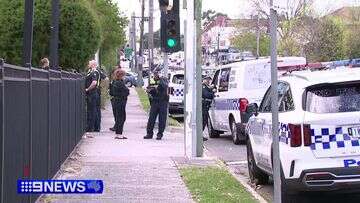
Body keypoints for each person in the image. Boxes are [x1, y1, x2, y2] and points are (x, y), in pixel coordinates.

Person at [144, 71, 169, 140]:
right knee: (151, 118)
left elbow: (165, 86)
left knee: (162, 119)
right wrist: (149, 90)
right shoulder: (152, 80)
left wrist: (160, 80)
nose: (155, 76)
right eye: (154, 74)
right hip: (155, 101)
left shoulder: (164, 80)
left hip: (163, 102)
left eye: (156, 74)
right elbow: (150, 88)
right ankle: (149, 133)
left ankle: (160, 134)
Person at [109, 68, 129, 139]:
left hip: (116, 101)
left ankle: (118, 133)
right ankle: (119, 133)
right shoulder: (120, 83)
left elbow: (111, 92)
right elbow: (126, 91)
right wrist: (126, 91)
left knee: (118, 117)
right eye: (124, 75)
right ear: (121, 75)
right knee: (121, 117)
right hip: (120, 101)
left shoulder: (115, 82)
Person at [85, 60, 101, 134]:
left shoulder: (94, 72)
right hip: (91, 94)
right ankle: (93, 127)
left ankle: (91, 127)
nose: (88, 64)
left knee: (92, 111)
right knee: (91, 110)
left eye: (89, 63)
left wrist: (88, 89)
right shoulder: (90, 72)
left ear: (93, 65)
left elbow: (94, 83)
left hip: (92, 93)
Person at [202, 75, 215, 141]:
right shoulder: (203, 86)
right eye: (207, 80)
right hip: (203, 107)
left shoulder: (207, 87)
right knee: (203, 121)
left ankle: (200, 135)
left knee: (204, 121)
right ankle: (199, 135)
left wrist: (211, 89)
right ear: (203, 80)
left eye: (209, 80)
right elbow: (206, 95)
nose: (208, 81)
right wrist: (213, 92)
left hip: (206, 106)